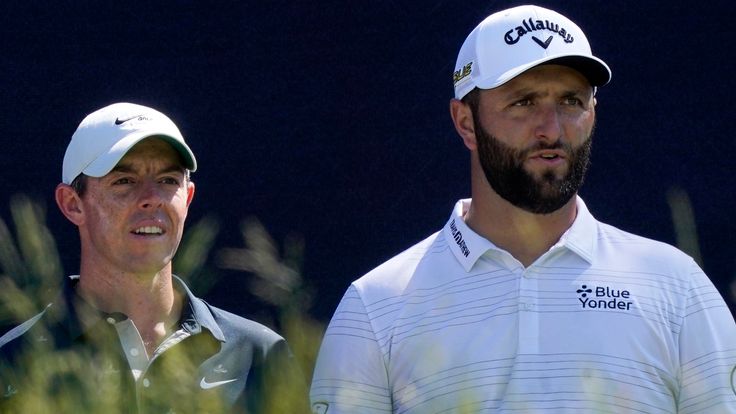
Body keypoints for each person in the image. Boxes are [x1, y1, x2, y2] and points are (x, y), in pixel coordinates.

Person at [310, 5, 736, 413]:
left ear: (593, 112)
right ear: (464, 122)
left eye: (571, 101)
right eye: (523, 102)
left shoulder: (677, 289)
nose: (551, 129)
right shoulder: (376, 305)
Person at [0, 102, 309, 413]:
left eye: (168, 181)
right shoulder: (12, 363)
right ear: (72, 204)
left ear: (187, 199)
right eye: (124, 181)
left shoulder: (259, 354)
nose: (152, 199)